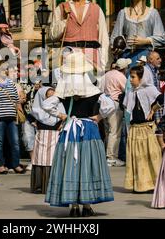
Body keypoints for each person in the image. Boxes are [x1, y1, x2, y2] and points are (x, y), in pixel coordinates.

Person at [45, 51, 115, 217]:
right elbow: (110, 106)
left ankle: (74, 206)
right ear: (84, 71)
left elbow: (47, 105)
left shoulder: (63, 91)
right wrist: (98, 117)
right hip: (89, 129)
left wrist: (62, 116)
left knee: (71, 165)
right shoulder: (93, 91)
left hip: (70, 129)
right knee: (88, 165)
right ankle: (87, 204)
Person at [49, 0, 109, 75]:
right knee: (69, 89)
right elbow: (52, 35)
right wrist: (64, 21)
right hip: (69, 56)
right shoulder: (62, 8)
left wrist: (103, 63)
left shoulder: (96, 9)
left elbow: (104, 39)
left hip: (92, 57)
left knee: (92, 89)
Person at [123, 65, 163, 193]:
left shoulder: (149, 90)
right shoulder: (131, 92)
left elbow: (162, 99)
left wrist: (153, 109)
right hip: (135, 129)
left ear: (142, 78)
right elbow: (126, 107)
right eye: (130, 77)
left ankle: (154, 183)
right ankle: (139, 184)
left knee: (150, 155)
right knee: (137, 157)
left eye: (133, 77)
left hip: (147, 128)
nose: (130, 80)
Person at [110, 0, 165, 67]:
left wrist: (145, 40)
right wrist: (116, 48)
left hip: (146, 55)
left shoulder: (153, 13)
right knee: (128, 79)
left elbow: (161, 38)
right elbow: (115, 36)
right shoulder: (123, 13)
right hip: (126, 56)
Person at [0, 60, 25, 174]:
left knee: (15, 142)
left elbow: (16, 100)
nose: (6, 71)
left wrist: (19, 112)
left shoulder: (11, 83)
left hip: (12, 117)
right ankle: (1, 165)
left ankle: (15, 164)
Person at [29, 87, 64, 194]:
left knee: (52, 159)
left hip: (55, 136)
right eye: (48, 96)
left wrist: (62, 123)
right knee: (39, 159)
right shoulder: (37, 109)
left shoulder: (59, 108)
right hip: (41, 136)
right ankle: (39, 185)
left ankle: (52, 185)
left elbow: (65, 117)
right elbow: (31, 117)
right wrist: (34, 122)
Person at [98, 58, 130, 167]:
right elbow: (126, 89)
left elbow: (100, 88)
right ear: (125, 68)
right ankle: (111, 157)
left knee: (108, 131)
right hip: (115, 104)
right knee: (115, 131)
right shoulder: (121, 76)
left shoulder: (106, 75)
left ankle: (108, 155)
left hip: (105, 105)